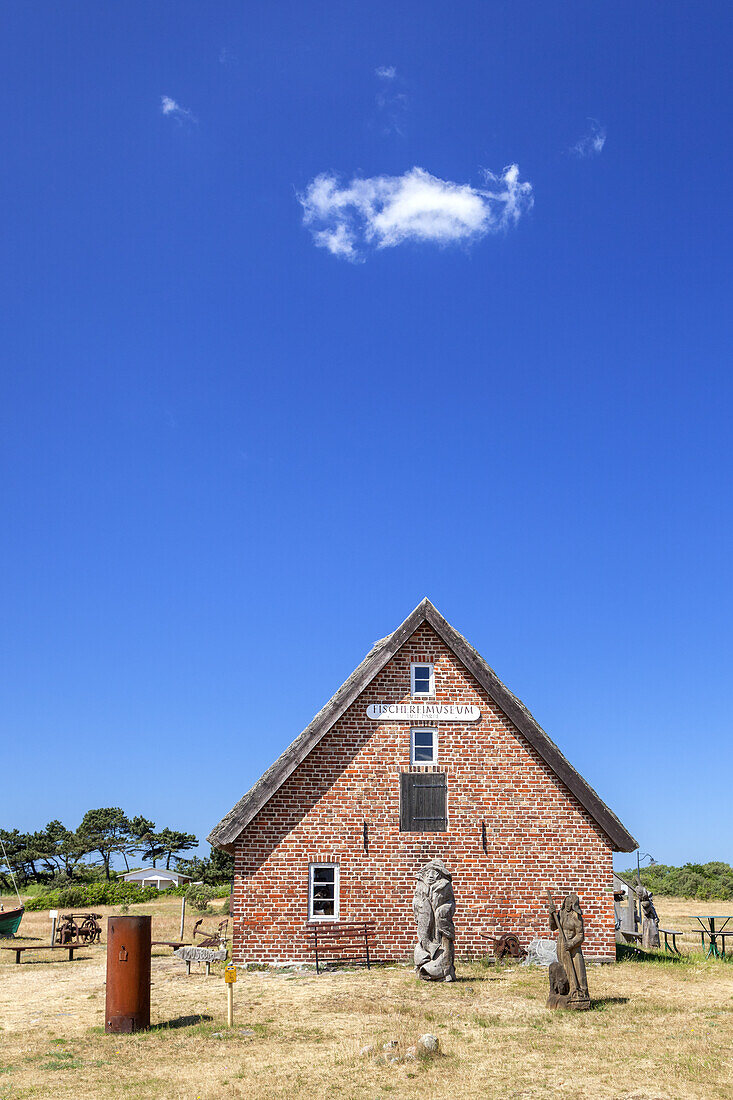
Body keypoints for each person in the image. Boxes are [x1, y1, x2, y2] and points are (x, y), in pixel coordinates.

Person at [548, 892, 589, 1001]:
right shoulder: (561, 913)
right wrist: (551, 915)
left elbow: (581, 936)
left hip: (574, 948)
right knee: (565, 969)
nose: (567, 905)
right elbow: (553, 927)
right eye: (566, 902)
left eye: (570, 903)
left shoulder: (576, 917)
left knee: (577, 970)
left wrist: (571, 944)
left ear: (574, 905)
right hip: (561, 944)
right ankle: (566, 991)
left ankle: (580, 993)